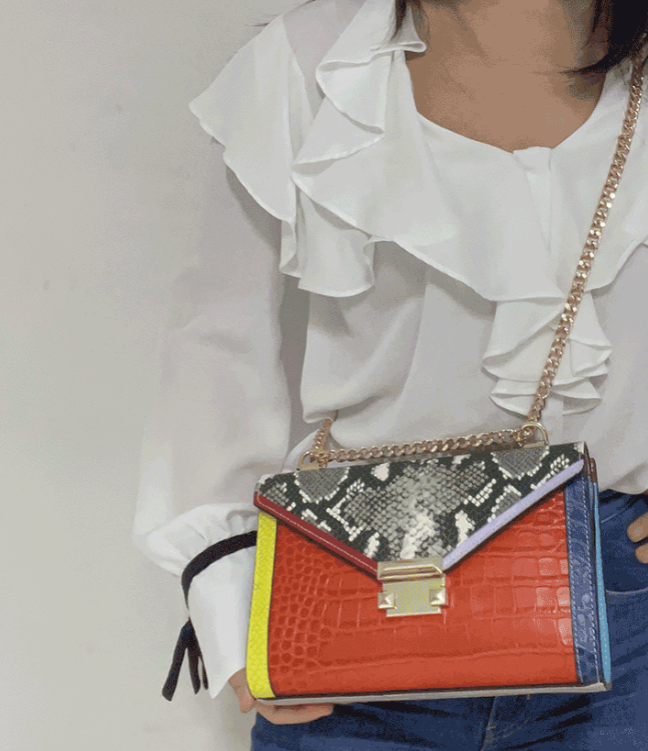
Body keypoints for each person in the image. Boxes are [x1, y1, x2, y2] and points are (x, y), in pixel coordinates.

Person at [133, 0, 648, 747]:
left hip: (624, 607)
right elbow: (214, 343)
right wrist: (228, 588)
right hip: (351, 595)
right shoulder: (314, 66)